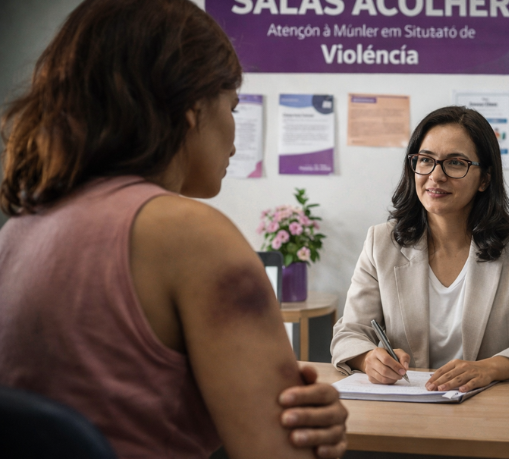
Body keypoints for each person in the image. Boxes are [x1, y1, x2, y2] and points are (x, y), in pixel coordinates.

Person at [0, 1, 347, 458]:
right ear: (190, 106)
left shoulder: (20, 231)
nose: (235, 136)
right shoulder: (191, 236)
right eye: (232, 106)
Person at [331, 106, 509, 392]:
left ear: (484, 179)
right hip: (408, 408)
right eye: (425, 160)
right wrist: (369, 358)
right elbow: (349, 333)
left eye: (455, 163)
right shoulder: (381, 242)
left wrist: (489, 368)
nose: (436, 175)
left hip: (492, 409)